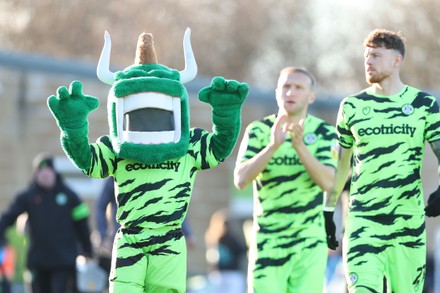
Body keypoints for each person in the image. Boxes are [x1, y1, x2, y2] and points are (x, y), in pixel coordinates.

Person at [47, 29, 248, 292]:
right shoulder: (118, 148)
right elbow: (90, 162)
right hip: (130, 239)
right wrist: (73, 127)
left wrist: (226, 114)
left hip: (170, 243)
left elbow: (219, 148)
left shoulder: (187, 145)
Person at [324, 28, 440, 293]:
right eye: (366, 56)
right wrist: (328, 210)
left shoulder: (423, 105)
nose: (368, 61)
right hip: (363, 223)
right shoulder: (351, 107)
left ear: (396, 60)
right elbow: (342, 167)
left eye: (376, 55)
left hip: (407, 224)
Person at [234, 66, 339, 292]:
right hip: (268, 241)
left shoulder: (324, 133)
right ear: (276, 92)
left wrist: (300, 147)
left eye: (298, 88)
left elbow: (329, 183)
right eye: (286, 86)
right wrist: (273, 146)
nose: (291, 92)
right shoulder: (258, 131)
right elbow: (241, 179)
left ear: (311, 96)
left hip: (309, 243)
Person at [0, 154, 93, 293]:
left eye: (48, 171)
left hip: (64, 261)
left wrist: (87, 250)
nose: (45, 175)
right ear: (36, 174)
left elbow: (82, 225)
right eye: (41, 172)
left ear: (54, 173)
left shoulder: (69, 196)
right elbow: (9, 216)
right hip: (38, 262)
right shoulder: (28, 197)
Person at [205, 209, 247, 293]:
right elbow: (242, 251)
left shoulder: (212, 237)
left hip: (219, 274)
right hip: (232, 274)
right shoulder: (230, 238)